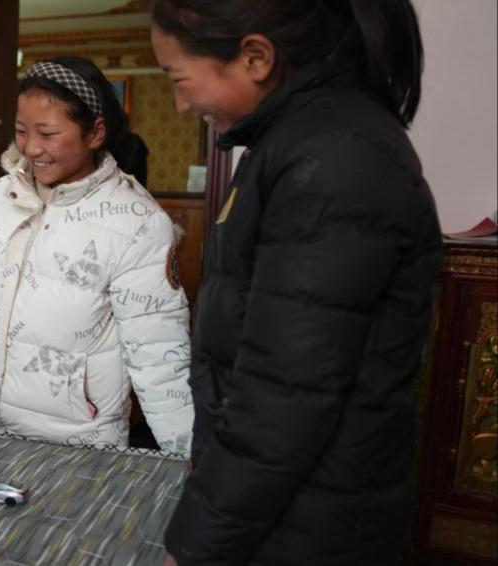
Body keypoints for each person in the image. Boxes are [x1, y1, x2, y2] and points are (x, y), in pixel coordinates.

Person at [148, 1, 442, 564]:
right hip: (288, 499)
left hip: (312, 520)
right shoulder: (294, 141)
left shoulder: (333, 159)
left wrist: (197, 543)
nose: (181, 104)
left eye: (180, 80)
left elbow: (283, 398)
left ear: (256, 57)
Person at [0, 55, 193, 457]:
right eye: (22, 131)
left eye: (48, 133)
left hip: (74, 440)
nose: (31, 148)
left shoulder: (138, 223)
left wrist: (186, 451)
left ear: (96, 133)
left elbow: (158, 353)